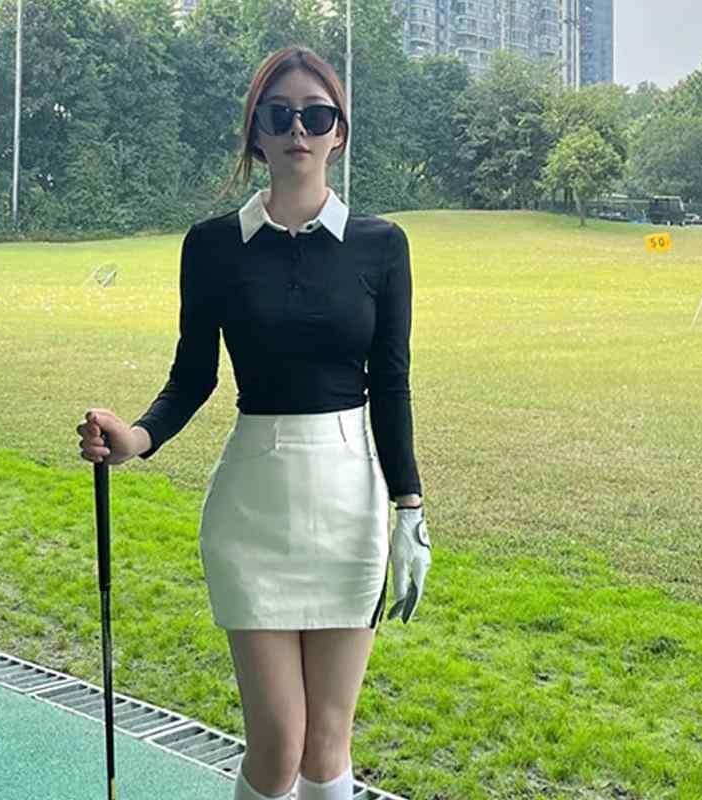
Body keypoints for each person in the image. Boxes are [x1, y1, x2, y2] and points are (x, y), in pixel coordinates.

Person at [76, 45, 432, 800]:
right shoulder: (212, 247)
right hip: (252, 507)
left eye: (317, 115)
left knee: (327, 748)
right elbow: (192, 377)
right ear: (257, 134)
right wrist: (134, 438)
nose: (299, 129)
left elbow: (392, 385)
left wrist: (410, 510)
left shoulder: (382, 246)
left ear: (339, 133)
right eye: (280, 114)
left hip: (350, 502)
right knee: (277, 745)